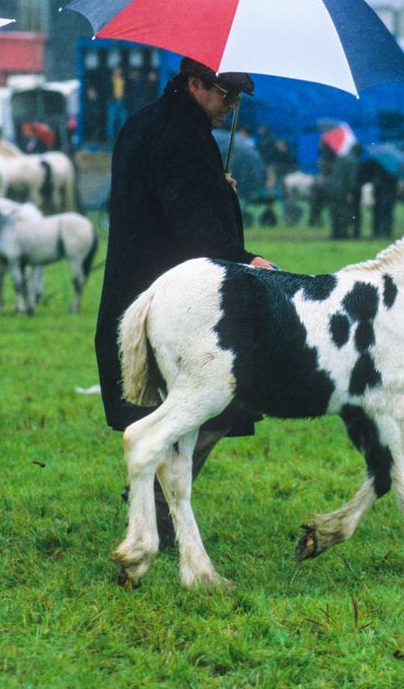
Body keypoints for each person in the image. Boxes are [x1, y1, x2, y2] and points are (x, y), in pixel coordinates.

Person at [94, 57, 276, 543]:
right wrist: (246, 259)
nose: (231, 106)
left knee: (170, 406)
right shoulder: (183, 137)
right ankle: (153, 499)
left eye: (236, 98)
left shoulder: (143, 122)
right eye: (224, 94)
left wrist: (218, 191)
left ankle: (150, 493)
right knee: (221, 402)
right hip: (174, 300)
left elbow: (159, 197)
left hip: (135, 287)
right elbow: (192, 229)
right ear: (195, 84)